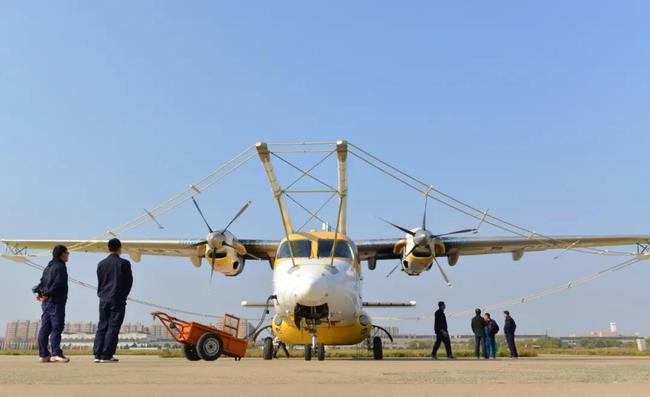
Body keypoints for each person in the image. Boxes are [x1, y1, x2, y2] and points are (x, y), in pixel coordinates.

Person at [93, 238, 133, 363]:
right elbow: (129, 282)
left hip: (103, 299)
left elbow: (100, 281)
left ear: (108, 248)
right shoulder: (124, 263)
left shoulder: (101, 263)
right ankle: (106, 355)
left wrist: (102, 294)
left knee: (102, 326)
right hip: (117, 298)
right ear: (119, 248)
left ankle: (97, 354)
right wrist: (124, 295)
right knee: (113, 327)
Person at [35, 245, 70, 363]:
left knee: (45, 328)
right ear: (62, 254)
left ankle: (43, 354)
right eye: (67, 253)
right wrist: (48, 294)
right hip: (56, 302)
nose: (68, 255)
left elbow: (42, 283)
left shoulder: (48, 267)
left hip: (46, 303)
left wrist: (40, 294)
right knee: (57, 327)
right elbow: (58, 284)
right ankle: (56, 353)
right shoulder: (60, 266)